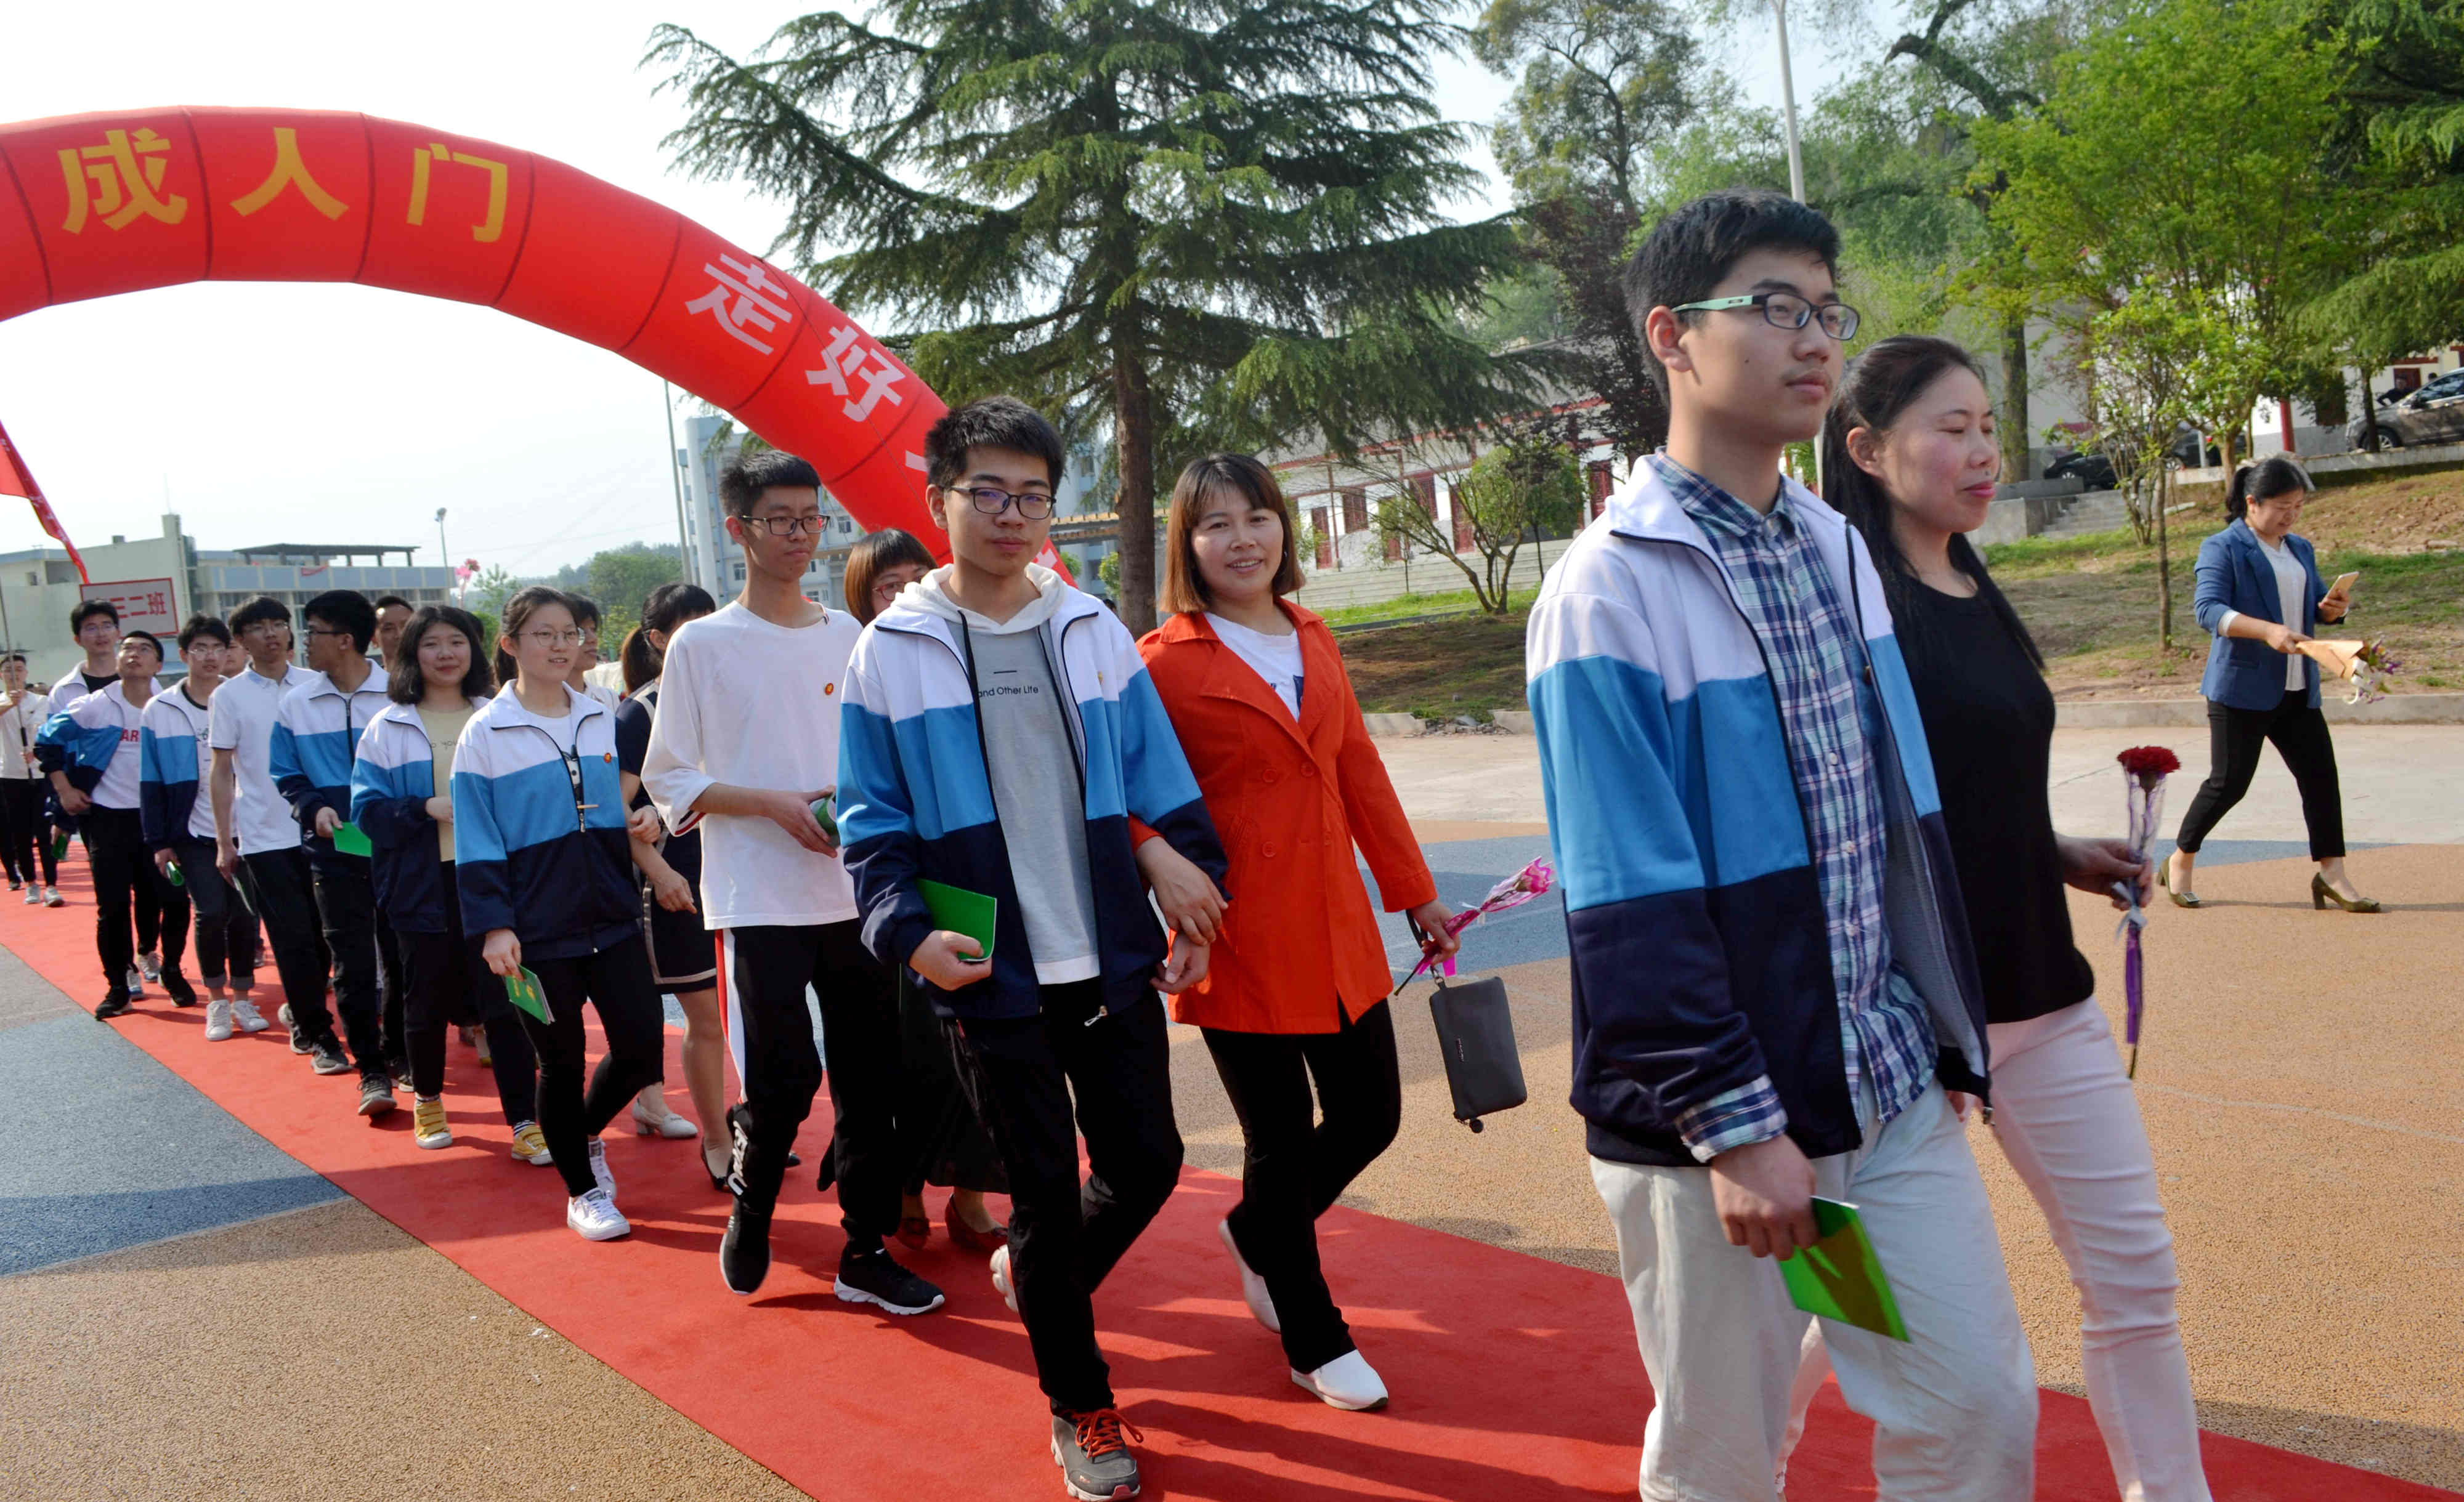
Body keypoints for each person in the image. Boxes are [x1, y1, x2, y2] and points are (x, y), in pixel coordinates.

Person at [1525, 189, 2036, 1499]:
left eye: (1825, 309)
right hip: (1724, 1126)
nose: (1811, 338)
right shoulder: (1608, 586)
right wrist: (1735, 1127)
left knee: (1973, 1402)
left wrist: (1942, 1022)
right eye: (1770, 308)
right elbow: (1625, 900)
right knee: (1726, 1456)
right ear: (1669, 337)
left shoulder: (1831, 546)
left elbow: (1894, 817)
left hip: (1879, 1078)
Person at [1805, 334, 2210, 1500]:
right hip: (1902, 1019)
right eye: (1952, 427)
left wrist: (2060, 852)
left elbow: (1971, 798)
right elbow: (1854, 821)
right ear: (1870, 449)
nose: (1983, 450)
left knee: (2134, 1275)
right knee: (1830, 1281)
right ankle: (1738, 1456)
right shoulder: (1845, 607)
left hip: (2042, 991)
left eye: (1988, 424)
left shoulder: (1975, 582)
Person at [838, 397, 1226, 1501]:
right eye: (988, 492)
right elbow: (870, 823)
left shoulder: (1089, 627)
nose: (1013, 515)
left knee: (1147, 1161)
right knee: (1047, 1193)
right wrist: (911, 937)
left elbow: (1160, 782)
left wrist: (1194, 899)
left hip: (1106, 953)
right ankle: (1079, 1399)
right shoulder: (893, 649)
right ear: (939, 500)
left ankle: (1038, 1274)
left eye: (1033, 495)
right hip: (990, 971)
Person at [1132, 453, 1458, 1413]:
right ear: (1187, 545)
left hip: (1338, 919)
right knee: (1275, 1137)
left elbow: (1359, 767)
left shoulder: (1315, 633)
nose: (1243, 539)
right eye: (1216, 524)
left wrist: (1417, 893)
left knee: (1372, 1116)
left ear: (1285, 527)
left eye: (1258, 516)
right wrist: (1161, 870)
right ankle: (1314, 1336)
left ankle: (1259, 1232)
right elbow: (1123, 790)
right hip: (1235, 928)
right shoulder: (1163, 660)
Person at [641, 453, 944, 1316]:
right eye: (781, 519)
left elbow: (883, 761)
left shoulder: (850, 638)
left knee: (870, 1078)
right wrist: (774, 806)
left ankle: (862, 1247)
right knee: (781, 1076)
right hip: (759, 898)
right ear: (738, 529)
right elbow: (671, 777)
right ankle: (756, 1200)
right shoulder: (703, 643)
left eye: (811, 519)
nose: (800, 535)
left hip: (858, 895)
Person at [455, 586, 669, 1241]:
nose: (558, 645)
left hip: (611, 913)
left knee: (640, 1049)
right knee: (561, 1060)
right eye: (542, 634)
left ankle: (581, 1134)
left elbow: (625, 800)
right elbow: (477, 834)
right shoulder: (486, 732)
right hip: (534, 930)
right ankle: (582, 1191)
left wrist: (648, 818)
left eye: (569, 633)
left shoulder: (601, 713)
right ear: (511, 644)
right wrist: (496, 924)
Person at [843, 529, 1008, 1254]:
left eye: (919, 575)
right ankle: (906, 1187)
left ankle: (970, 1196)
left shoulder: (968, 651)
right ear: (863, 598)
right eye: (888, 585)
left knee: (984, 1056)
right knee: (910, 1060)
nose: (907, 592)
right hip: (894, 900)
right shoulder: (862, 665)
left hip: (975, 883)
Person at [349, 605, 549, 1160]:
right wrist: (428, 807)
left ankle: (523, 1120)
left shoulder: (501, 716)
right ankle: (429, 1097)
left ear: (476, 650)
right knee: (425, 997)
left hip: (493, 879)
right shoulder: (387, 726)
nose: (445, 654)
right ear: (413, 654)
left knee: (505, 999)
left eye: (457, 642)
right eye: (431, 643)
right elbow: (366, 813)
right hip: (421, 883)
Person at [2166, 456, 2373, 912]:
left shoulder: (2299, 547)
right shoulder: (2221, 547)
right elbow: (2208, 611)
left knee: (2321, 778)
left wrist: (2332, 609)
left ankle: (2332, 874)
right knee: (2229, 783)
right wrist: (2268, 630)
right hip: (2241, 688)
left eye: (2298, 505)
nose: (2291, 515)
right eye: (2282, 506)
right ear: (2252, 502)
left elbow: (2314, 604)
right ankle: (2180, 858)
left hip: (2299, 685)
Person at [271, 590, 405, 1118]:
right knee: (350, 961)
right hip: (332, 851)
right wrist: (311, 807)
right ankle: (370, 1068)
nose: (303, 643)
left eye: (313, 633)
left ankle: (401, 1053)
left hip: (397, 850)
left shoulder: (398, 695)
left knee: (400, 956)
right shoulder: (296, 704)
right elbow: (286, 772)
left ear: (346, 640)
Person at [612, 583, 720, 1155]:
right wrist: (659, 869)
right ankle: (717, 1136)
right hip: (675, 883)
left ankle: (736, 1122)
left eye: (711, 620)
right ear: (658, 639)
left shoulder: (728, 693)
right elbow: (615, 808)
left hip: (730, 874)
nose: (704, 635)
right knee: (702, 1013)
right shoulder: (639, 712)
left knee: (733, 1013)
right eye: (688, 625)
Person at [211, 598, 341, 1070]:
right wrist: (225, 841)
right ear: (240, 641)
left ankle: (304, 1004)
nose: (270, 634)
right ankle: (315, 1029)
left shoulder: (317, 684)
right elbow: (222, 770)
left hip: (324, 828)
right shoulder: (228, 696)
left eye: (279, 625)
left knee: (329, 934)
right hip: (266, 836)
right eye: (257, 627)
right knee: (292, 938)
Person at [38, 631, 195, 1017]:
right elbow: (47, 742)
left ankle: (171, 969)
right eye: (128, 648)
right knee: (112, 906)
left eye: (145, 650)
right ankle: (118, 986)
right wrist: (64, 791)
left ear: (159, 665)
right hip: (108, 820)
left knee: (173, 900)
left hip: (160, 821)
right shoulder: (94, 706)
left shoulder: (171, 708)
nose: (134, 654)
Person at [140, 616, 269, 1041]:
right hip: (195, 833)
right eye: (200, 648)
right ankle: (216, 999)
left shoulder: (240, 698)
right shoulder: (162, 709)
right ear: (183, 655)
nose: (210, 656)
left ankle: (244, 997)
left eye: (218, 647)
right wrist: (160, 841)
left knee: (245, 917)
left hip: (249, 828)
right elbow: (152, 780)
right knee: (210, 911)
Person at [65, 599, 164, 989]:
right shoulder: (71, 692)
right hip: (99, 808)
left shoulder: (151, 685)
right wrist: (66, 792)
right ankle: (121, 973)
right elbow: (56, 744)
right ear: (79, 638)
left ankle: (147, 951)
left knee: (152, 891)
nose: (101, 633)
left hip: (149, 808)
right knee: (113, 899)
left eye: (108, 625)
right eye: (91, 628)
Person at [0, 654, 60, 905]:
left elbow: (46, 729)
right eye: (9, 670)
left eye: (19, 669)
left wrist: (34, 751)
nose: (15, 674)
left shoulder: (41, 701)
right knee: (20, 834)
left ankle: (52, 885)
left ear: (26, 673)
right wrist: (9, 706)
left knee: (44, 832)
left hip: (38, 774)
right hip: (9, 775)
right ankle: (30, 883)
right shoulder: (2, 702)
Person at [564, 596, 624, 711]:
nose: (593, 639)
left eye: (593, 629)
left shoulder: (608, 699)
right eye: (578, 632)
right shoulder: (531, 705)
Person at [371, 596, 415, 664]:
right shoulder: (369, 675)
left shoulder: (435, 673)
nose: (400, 635)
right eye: (388, 629)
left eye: (406, 626)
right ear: (374, 639)